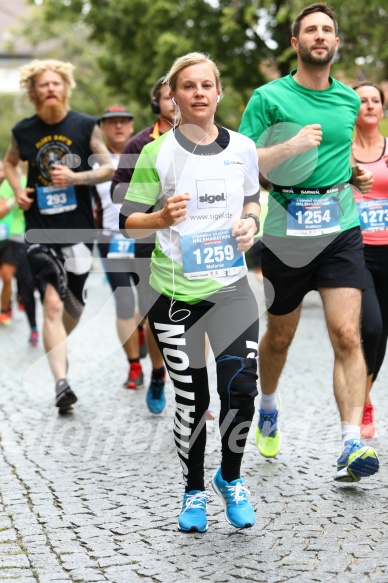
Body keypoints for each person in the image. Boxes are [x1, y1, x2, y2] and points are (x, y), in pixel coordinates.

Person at [120, 52, 261, 532]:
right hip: (176, 291)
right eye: (188, 86)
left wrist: (251, 222)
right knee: (194, 397)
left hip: (231, 285)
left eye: (207, 85)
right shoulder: (156, 154)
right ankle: (193, 492)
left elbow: (251, 197)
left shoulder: (243, 147)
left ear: (219, 92)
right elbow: (129, 221)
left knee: (240, 389)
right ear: (174, 97)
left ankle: (231, 478)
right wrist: (161, 218)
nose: (199, 93)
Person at [239, 3, 379, 482]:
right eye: (311, 30)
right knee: (281, 337)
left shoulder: (347, 101)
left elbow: (342, 156)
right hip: (285, 230)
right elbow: (244, 161)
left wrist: (353, 175)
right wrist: (291, 146)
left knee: (346, 334)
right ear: (296, 43)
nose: (320, 36)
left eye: (327, 30)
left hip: (340, 227)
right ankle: (269, 404)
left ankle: (350, 443)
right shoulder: (269, 96)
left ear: (336, 44)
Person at [4, 59, 114, 412]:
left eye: (56, 83)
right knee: (51, 302)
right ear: (32, 92)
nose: (50, 89)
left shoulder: (84, 126)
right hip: (40, 229)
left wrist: (76, 178)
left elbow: (110, 166)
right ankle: (60, 383)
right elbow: (9, 163)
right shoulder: (23, 131)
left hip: (78, 228)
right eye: (43, 84)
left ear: (66, 87)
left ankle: (57, 346)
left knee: (73, 305)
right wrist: (18, 190)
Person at [111, 77, 175, 412]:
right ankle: (157, 373)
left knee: (204, 313)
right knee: (155, 316)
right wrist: (150, 196)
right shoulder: (138, 145)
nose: (174, 102)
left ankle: (197, 385)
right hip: (148, 240)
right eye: (167, 97)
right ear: (156, 104)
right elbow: (118, 193)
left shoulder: (208, 140)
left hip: (195, 239)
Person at [95, 105, 144, 390]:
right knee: (124, 302)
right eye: (111, 122)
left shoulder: (144, 153)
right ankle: (134, 366)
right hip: (110, 239)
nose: (118, 127)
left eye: (123, 122)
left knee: (149, 304)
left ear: (131, 125)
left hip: (143, 235)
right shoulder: (93, 165)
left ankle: (141, 332)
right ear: (103, 127)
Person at [351, 82, 388, 438]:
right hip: (356, 250)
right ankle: (361, 403)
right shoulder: (343, 151)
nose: (370, 105)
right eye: (363, 100)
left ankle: (365, 397)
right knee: (371, 327)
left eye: (375, 100)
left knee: (383, 333)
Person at [0, 162, 38, 345]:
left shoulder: (21, 182)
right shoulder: (11, 187)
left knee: (10, 278)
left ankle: (8, 310)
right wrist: (13, 200)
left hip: (15, 238)